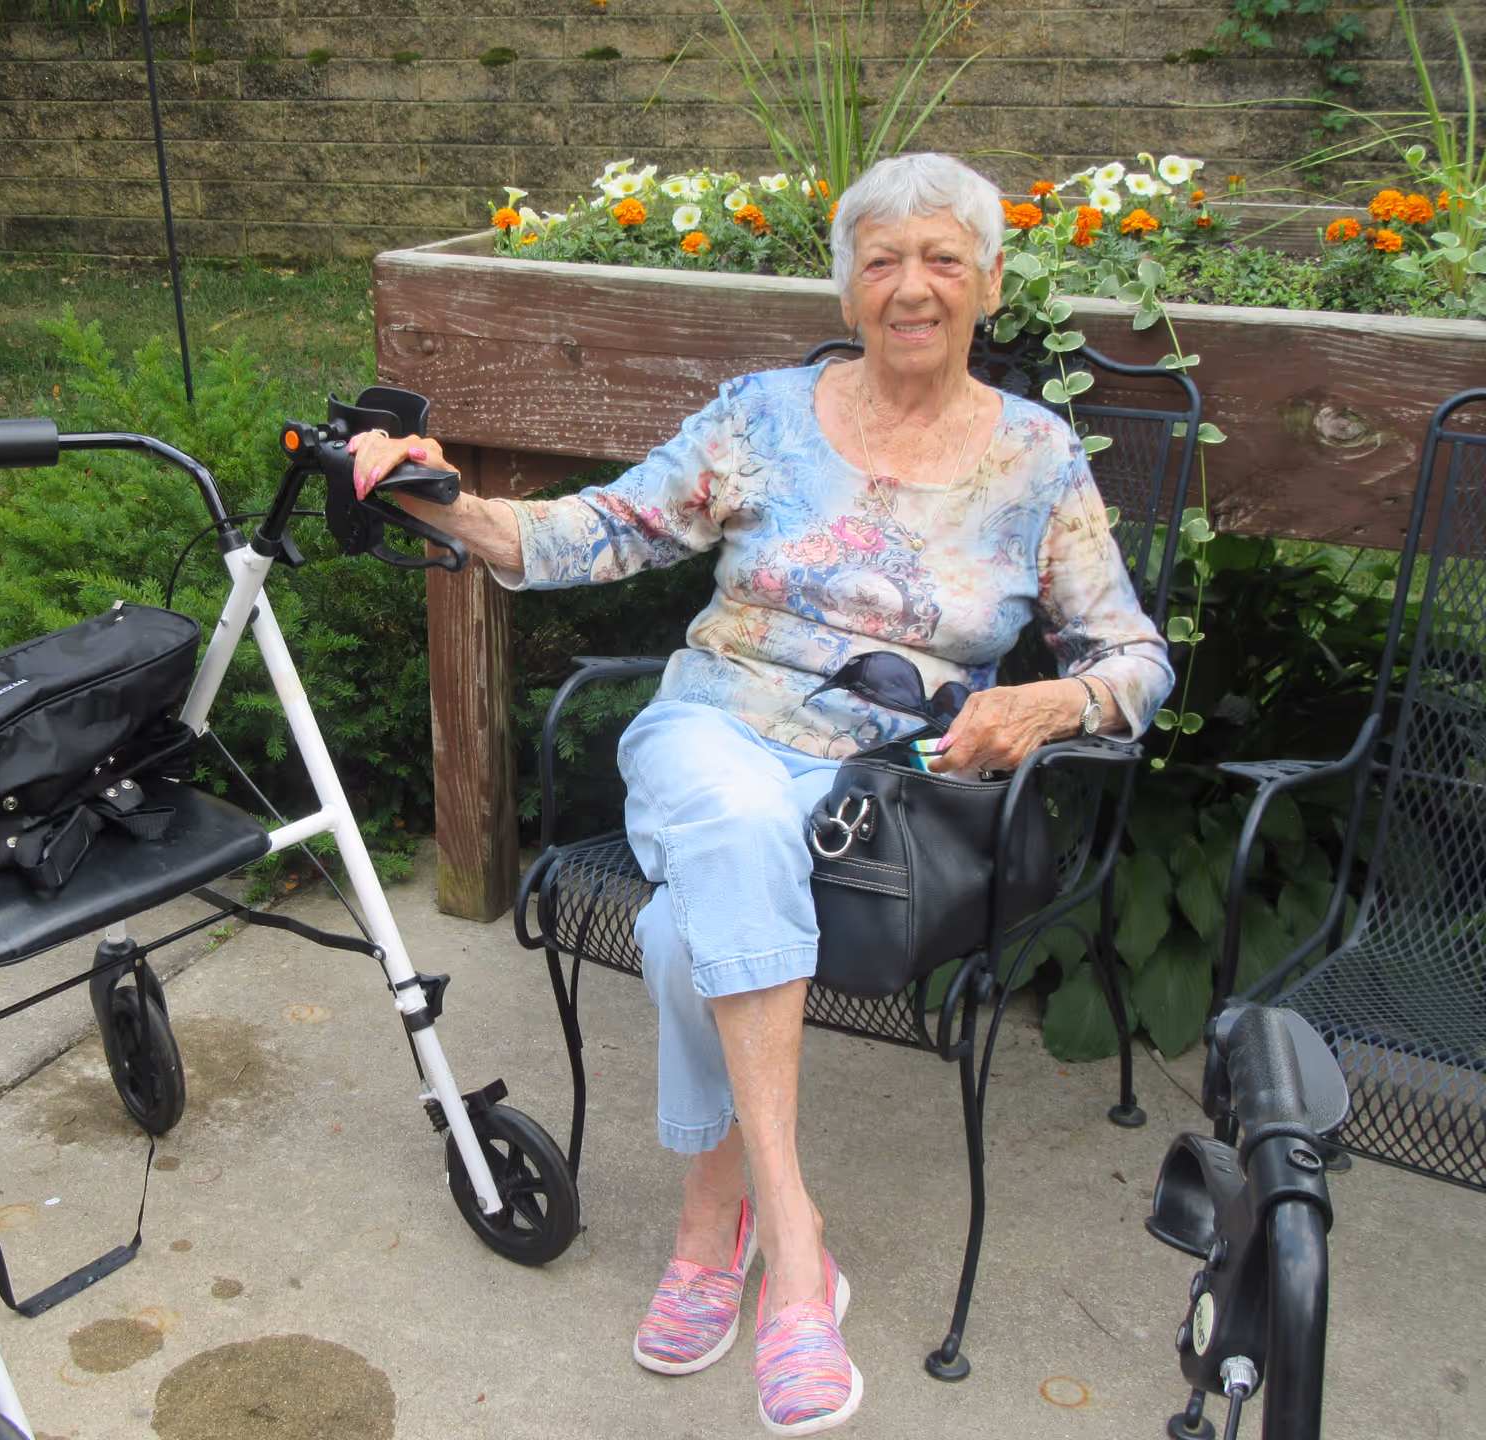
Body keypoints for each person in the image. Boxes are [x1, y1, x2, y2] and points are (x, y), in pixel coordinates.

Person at [350, 152, 1173, 1435]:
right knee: (730, 824)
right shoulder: (761, 416)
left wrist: (1047, 703)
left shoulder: (1036, 460)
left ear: (989, 284)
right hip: (711, 735)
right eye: (883, 260)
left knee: (687, 927)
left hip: (881, 788)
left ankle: (707, 1220)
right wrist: (441, 500)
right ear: (847, 287)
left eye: (943, 259)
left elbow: (1132, 657)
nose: (913, 287)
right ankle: (794, 1243)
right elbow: (605, 529)